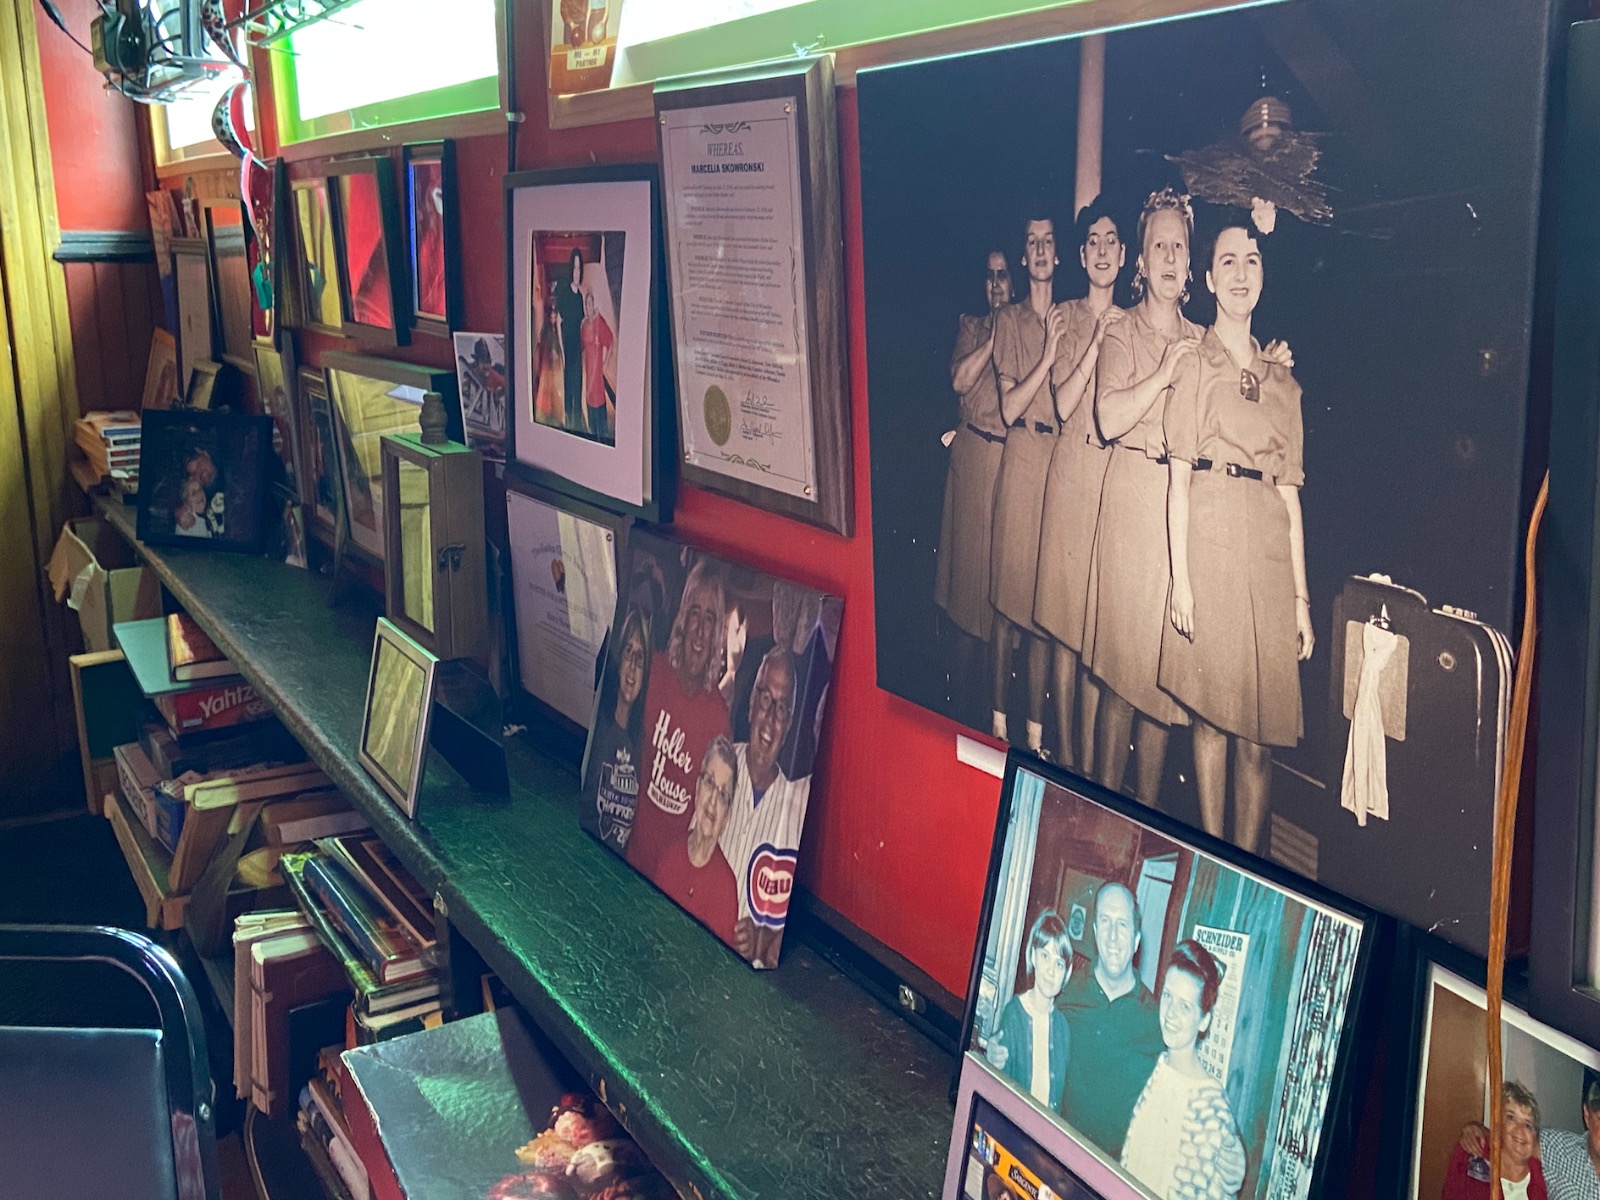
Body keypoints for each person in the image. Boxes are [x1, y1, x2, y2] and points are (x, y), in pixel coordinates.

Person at [1161, 220, 1311, 853]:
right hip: (1212, 543)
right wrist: (1181, 582)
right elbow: (1178, 480)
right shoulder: (1196, 363)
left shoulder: (1284, 382)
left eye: (1252, 260)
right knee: (1211, 722)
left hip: (1268, 560)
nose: (1242, 272)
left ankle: (1252, 867)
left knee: (1258, 740)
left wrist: (1301, 598)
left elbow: (1290, 494)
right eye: (1229, 261)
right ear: (1210, 278)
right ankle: (1210, 854)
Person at [1083, 188, 1202, 807]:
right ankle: (1096, 807)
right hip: (1131, 507)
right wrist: (1164, 373)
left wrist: (1270, 362)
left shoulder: (1206, 338)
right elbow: (1106, 417)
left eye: (1178, 245)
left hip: (1181, 522)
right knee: (1119, 684)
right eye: (1157, 244)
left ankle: (1146, 817)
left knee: (1162, 693)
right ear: (1142, 261)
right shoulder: (1120, 329)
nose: (1168, 255)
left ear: (1190, 261)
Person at [1033, 198, 1126, 772]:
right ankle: (1067, 759)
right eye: (1092, 240)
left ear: (1123, 252)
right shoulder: (1065, 316)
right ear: (1082, 253)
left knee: (1098, 631)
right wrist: (1095, 343)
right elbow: (1064, 404)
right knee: (1067, 628)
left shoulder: (1138, 321)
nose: (1101, 250)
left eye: (1110, 239)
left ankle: (1092, 765)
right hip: (1071, 480)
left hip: (1111, 487)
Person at [989, 213, 1069, 755]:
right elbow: (1010, 404)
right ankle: (996, 727)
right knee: (1008, 606)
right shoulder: (1010, 321)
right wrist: (1047, 356)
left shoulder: (1072, 316)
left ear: (1059, 255)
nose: (1040, 251)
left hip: (1057, 469)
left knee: (1043, 610)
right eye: (1031, 242)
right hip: (1021, 460)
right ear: (1025, 256)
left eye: (1048, 242)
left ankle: (1036, 738)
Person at [934, 251, 1012, 711]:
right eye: (990, 276)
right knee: (965, 602)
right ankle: (955, 706)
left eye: (1004, 276)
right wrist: (994, 336)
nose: (997, 284)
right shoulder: (972, 327)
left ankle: (990, 713)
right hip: (970, 469)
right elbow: (960, 381)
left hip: (1007, 469)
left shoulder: (1031, 330)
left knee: (997, 605)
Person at [625, 557, 730, 877]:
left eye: (710, 619)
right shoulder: (651, 671)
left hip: (672, 885)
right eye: (694, 613)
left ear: (717, 635)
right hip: (626, 859)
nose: (699, 629)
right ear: (682, 618)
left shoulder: (719, 720)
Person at [1121, 939, 1245, 1199]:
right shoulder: (1158, 1067)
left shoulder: (1210, 1107)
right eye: (1167, 996)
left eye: (1185, 1006)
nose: (1170, 1014)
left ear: (1204, 1021)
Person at [1057, 882, 1164, 1158]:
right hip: (1055, 1158)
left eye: (1123, 924)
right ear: (1094, 932)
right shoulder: (1064, 993)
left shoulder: (1159, 1021)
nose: (1113, 936)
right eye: (1105, 921)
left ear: (1137, 939)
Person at [721, 647, 808, 967]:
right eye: (766, 699)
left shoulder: (797, 809)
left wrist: (764, 939)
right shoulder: (717, 765)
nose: (771, 717)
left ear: (788, 727)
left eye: (782, 707)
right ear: (750, 704)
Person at [650, 734, 741, 944]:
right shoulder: (670, 855)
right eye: (710, 782)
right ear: (698, 787)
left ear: (727, 815)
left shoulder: (726, 890)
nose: (712, 801)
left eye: (723, 794)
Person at [983, 909, 1073, 1111]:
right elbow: (999, 1084)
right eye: (1044, 956)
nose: (1051, 971)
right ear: (1033, 956)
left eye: (1059, 963)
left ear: (1066, 972)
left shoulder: (1063, 1028)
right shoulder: (1014, 1014)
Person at [588, 607, 651, 853]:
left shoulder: (644, 744)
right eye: (628, 652)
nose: (632, 666)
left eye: (640, 657)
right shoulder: (597, 726)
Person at [1445, 1082, 1548, 1200]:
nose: (1520, 1129)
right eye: (1511, 1117)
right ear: (1499, 1123)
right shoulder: (1472, 1151)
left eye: (1528, 1125)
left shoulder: (1546, 1174)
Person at [556, 249, 588, 432]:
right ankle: (569, 422)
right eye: (575, 268)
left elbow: (582, 322)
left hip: (577, 345)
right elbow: (560, 321)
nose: (577, 272)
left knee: (578, 384)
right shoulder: (564, 292)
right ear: (571, 269)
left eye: (579, 268)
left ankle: (577, 422)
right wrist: (561, 351)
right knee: (569, 385)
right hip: (567, 345)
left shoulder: (580, 296)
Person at [580, 289, 615, 441]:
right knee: (591, 423)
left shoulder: (599, 323)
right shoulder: (584, 326)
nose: (588, 306)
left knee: (600, 413)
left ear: (593, 304)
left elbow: (611, 340)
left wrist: (605, 364)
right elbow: (583, 348)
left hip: (598, 377)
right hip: (588, 376)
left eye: (590, 303)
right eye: (586, 303)